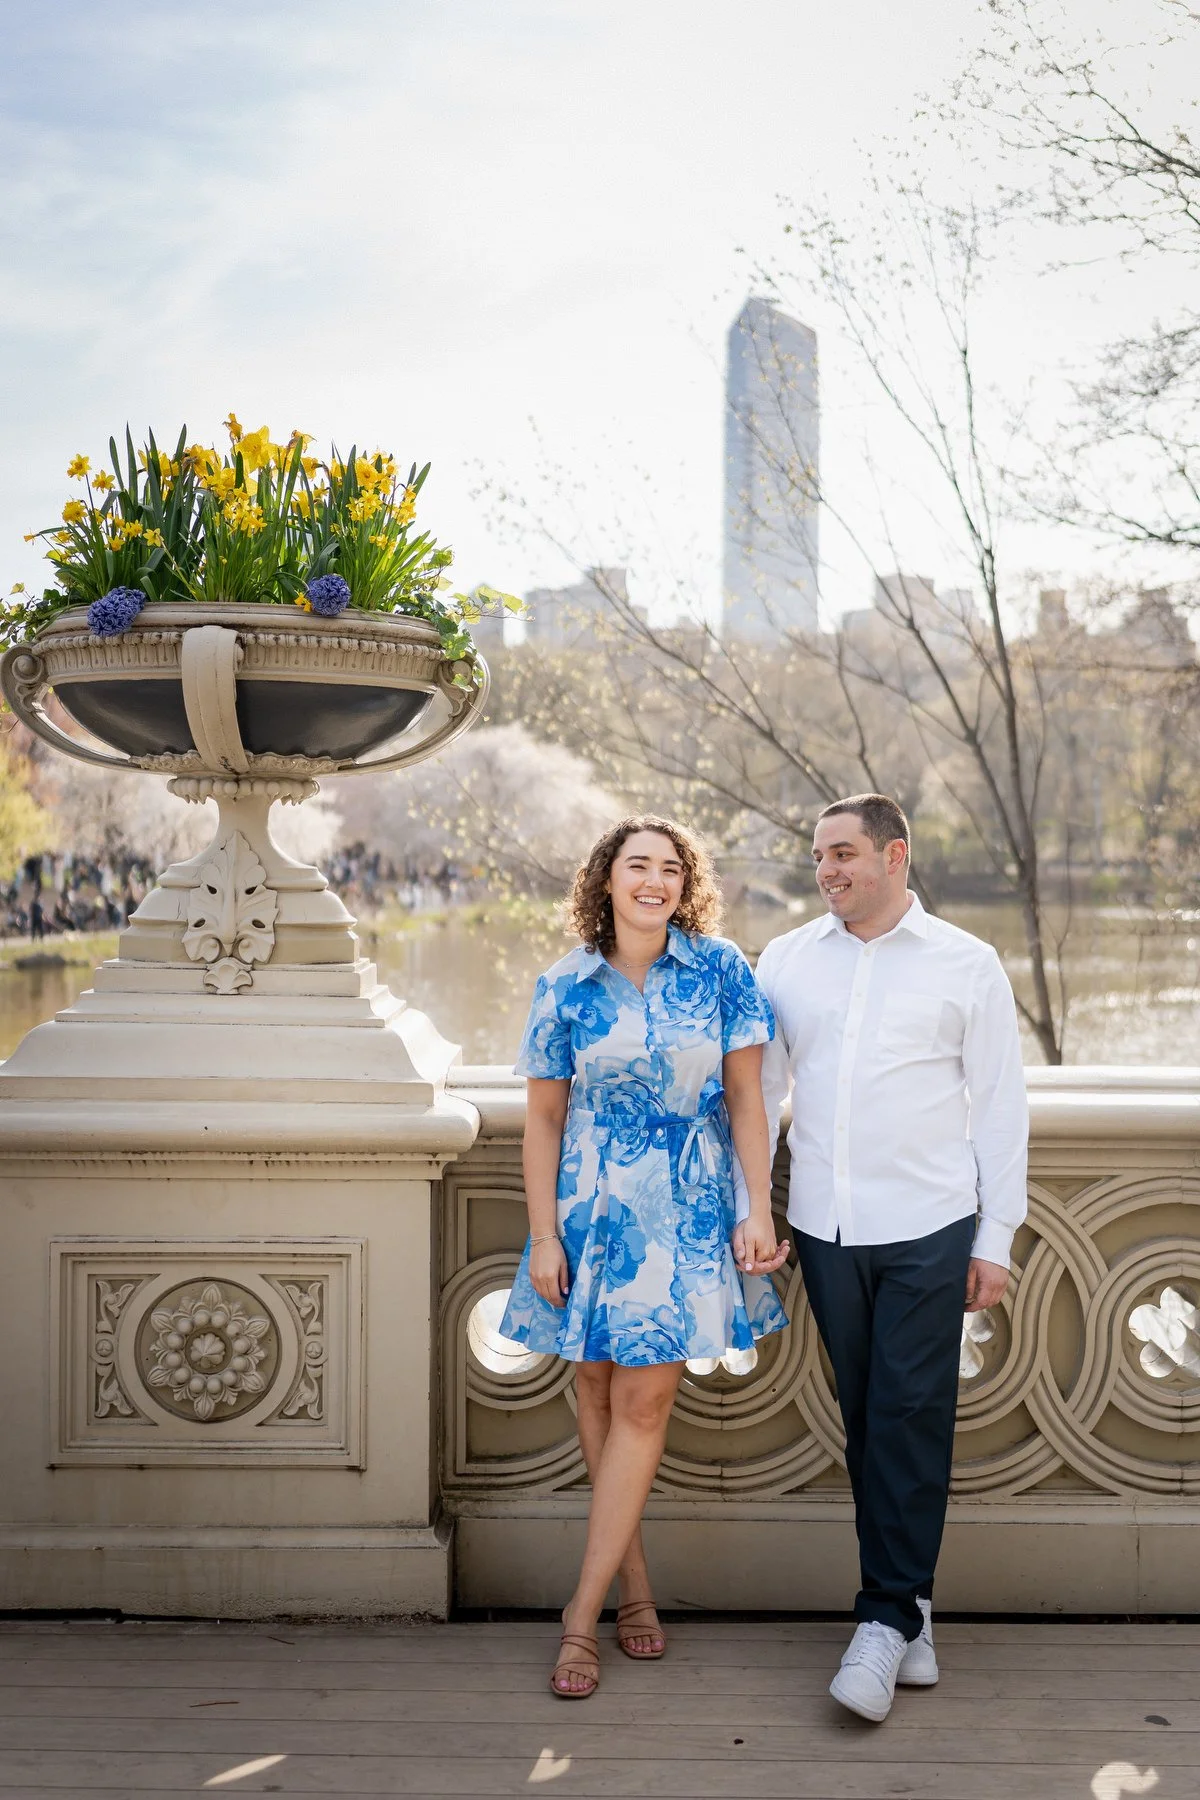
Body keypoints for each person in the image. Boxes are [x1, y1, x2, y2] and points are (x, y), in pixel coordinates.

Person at [751, 793, 1028, 1724]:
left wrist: (997, 1237)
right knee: (869, 1417)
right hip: (826, 1228)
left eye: (842, 854)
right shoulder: (786, 960)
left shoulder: (967, 964)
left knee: (911, 1410)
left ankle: (879, 1621)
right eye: (818, 855)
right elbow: (762, 1095)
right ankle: (912, 1608)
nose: (826, 870)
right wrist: (754, 1211)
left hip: (931, 1225)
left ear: (894, 855)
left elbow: (999, 1109)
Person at [500, 815, 790, 1699]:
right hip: (591, 1204)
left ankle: (577, 1621)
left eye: (671, 868)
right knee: (592, 1384)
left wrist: (757, 1208)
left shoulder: (723, 971)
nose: (654, 880)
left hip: (687, 1205)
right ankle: (635, 1592)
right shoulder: (564, 986)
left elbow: (748, 1101)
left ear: (684, 884)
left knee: (645, 1393)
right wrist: (545, 1235)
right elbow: (543, 1118)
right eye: (638, 866)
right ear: (608, 881)